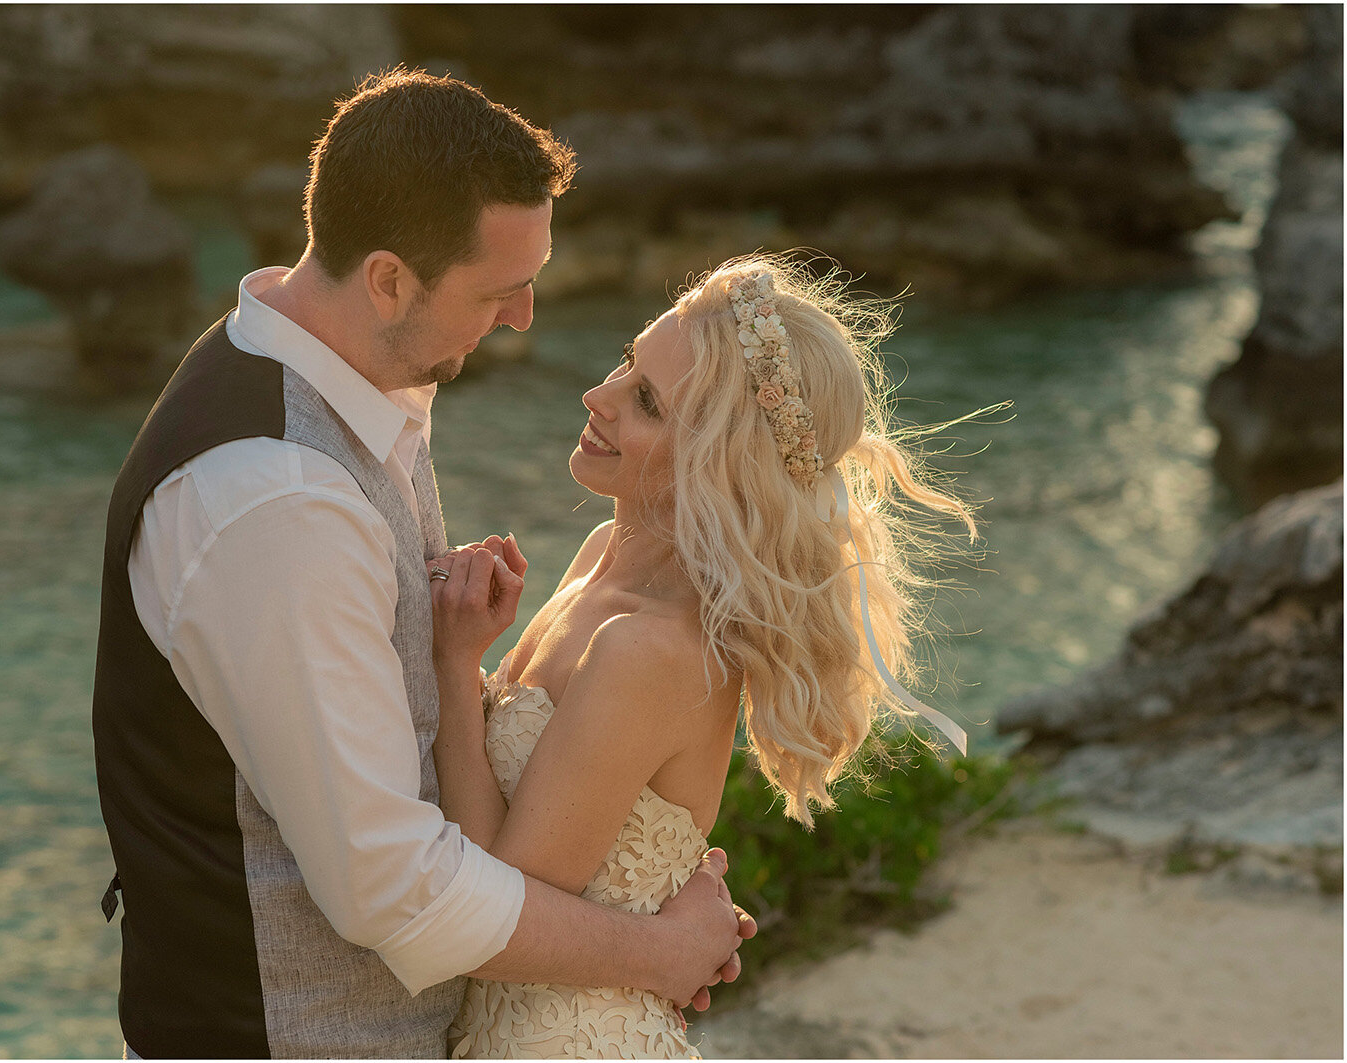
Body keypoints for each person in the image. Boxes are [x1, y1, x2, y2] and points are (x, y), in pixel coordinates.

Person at [89, 68, 751, 1059]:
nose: (526, 317)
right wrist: (651, 952)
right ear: (389, 278)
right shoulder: (278, 500)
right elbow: (389, 883)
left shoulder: (344, 373)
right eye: (498, 291)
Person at [432, 254, 980, 1057]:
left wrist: (454, 667)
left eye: (646, 400)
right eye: (627, 362)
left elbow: (492, 909)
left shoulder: (653, 648)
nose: (599, 397)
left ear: (719, 462)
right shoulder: (596, 555)